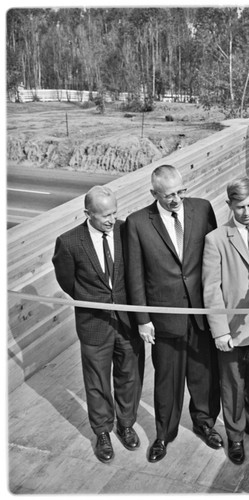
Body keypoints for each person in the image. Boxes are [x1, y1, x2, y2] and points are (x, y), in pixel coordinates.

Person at [125, 164, 222, 463]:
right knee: (167, 380)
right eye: (169, 195)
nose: (177, 199)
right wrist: (143, 320)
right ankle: (164, 435)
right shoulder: (138, 222)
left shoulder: (203, 209)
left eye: (181, 191)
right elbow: (135, 276)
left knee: (204, 374)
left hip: (201, 312)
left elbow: (214, 258)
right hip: (165, 319)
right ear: (154, 193)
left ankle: (205, 423)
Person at [52, 186, 144, 464]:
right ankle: (102, 431)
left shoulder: (126, 230)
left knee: (130, 375)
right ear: (87, 213)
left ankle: (125, 424)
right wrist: (92, 299)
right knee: (96, 382)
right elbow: (68, 281)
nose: (111, 219)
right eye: (104, 215)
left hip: (127, 322)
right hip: (93, 324)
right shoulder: (69, 242)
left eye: (114, 212)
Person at [202, 177, 249, 465]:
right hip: (232, 328)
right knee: (232, 384)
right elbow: (211, 289)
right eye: (239, 207)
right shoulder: (216, 240)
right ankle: (235, 435)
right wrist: (219, 331)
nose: (246, 212)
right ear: (229, 206)